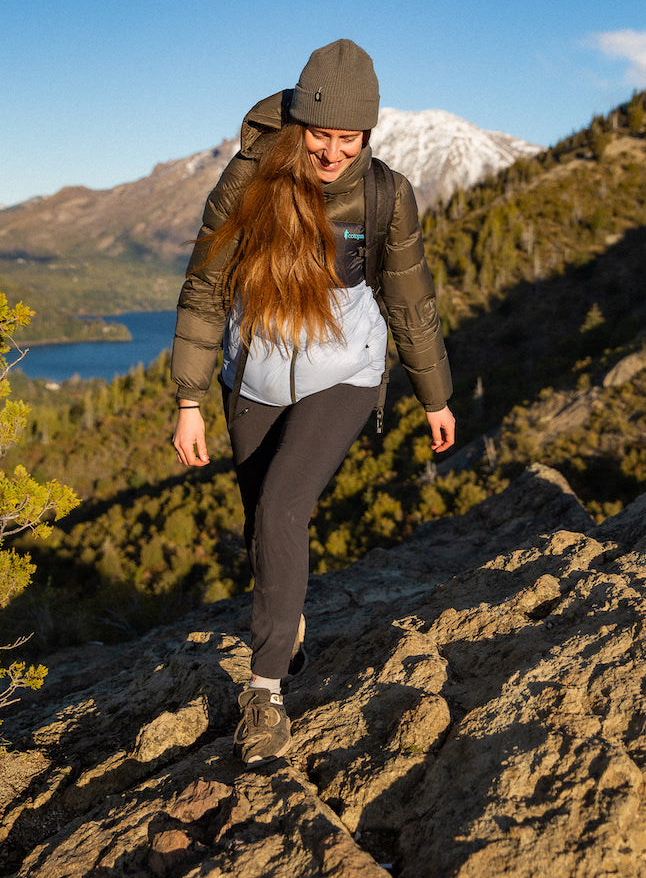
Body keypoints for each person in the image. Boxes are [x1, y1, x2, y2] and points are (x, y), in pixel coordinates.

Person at [171, 38, 454, 765]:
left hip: (345, 374)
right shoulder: (249, 181)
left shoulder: (387, 194)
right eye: (321, 136)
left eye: (348, 138)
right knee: (260, 525)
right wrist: (189, 399)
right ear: (299, 125)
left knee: (282, 509)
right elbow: (206, 287)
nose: (333, 153)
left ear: (369, 133)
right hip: (253, 374)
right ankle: (285, 622)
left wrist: (435, 395)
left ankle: (264, 695)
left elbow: (409, 296)